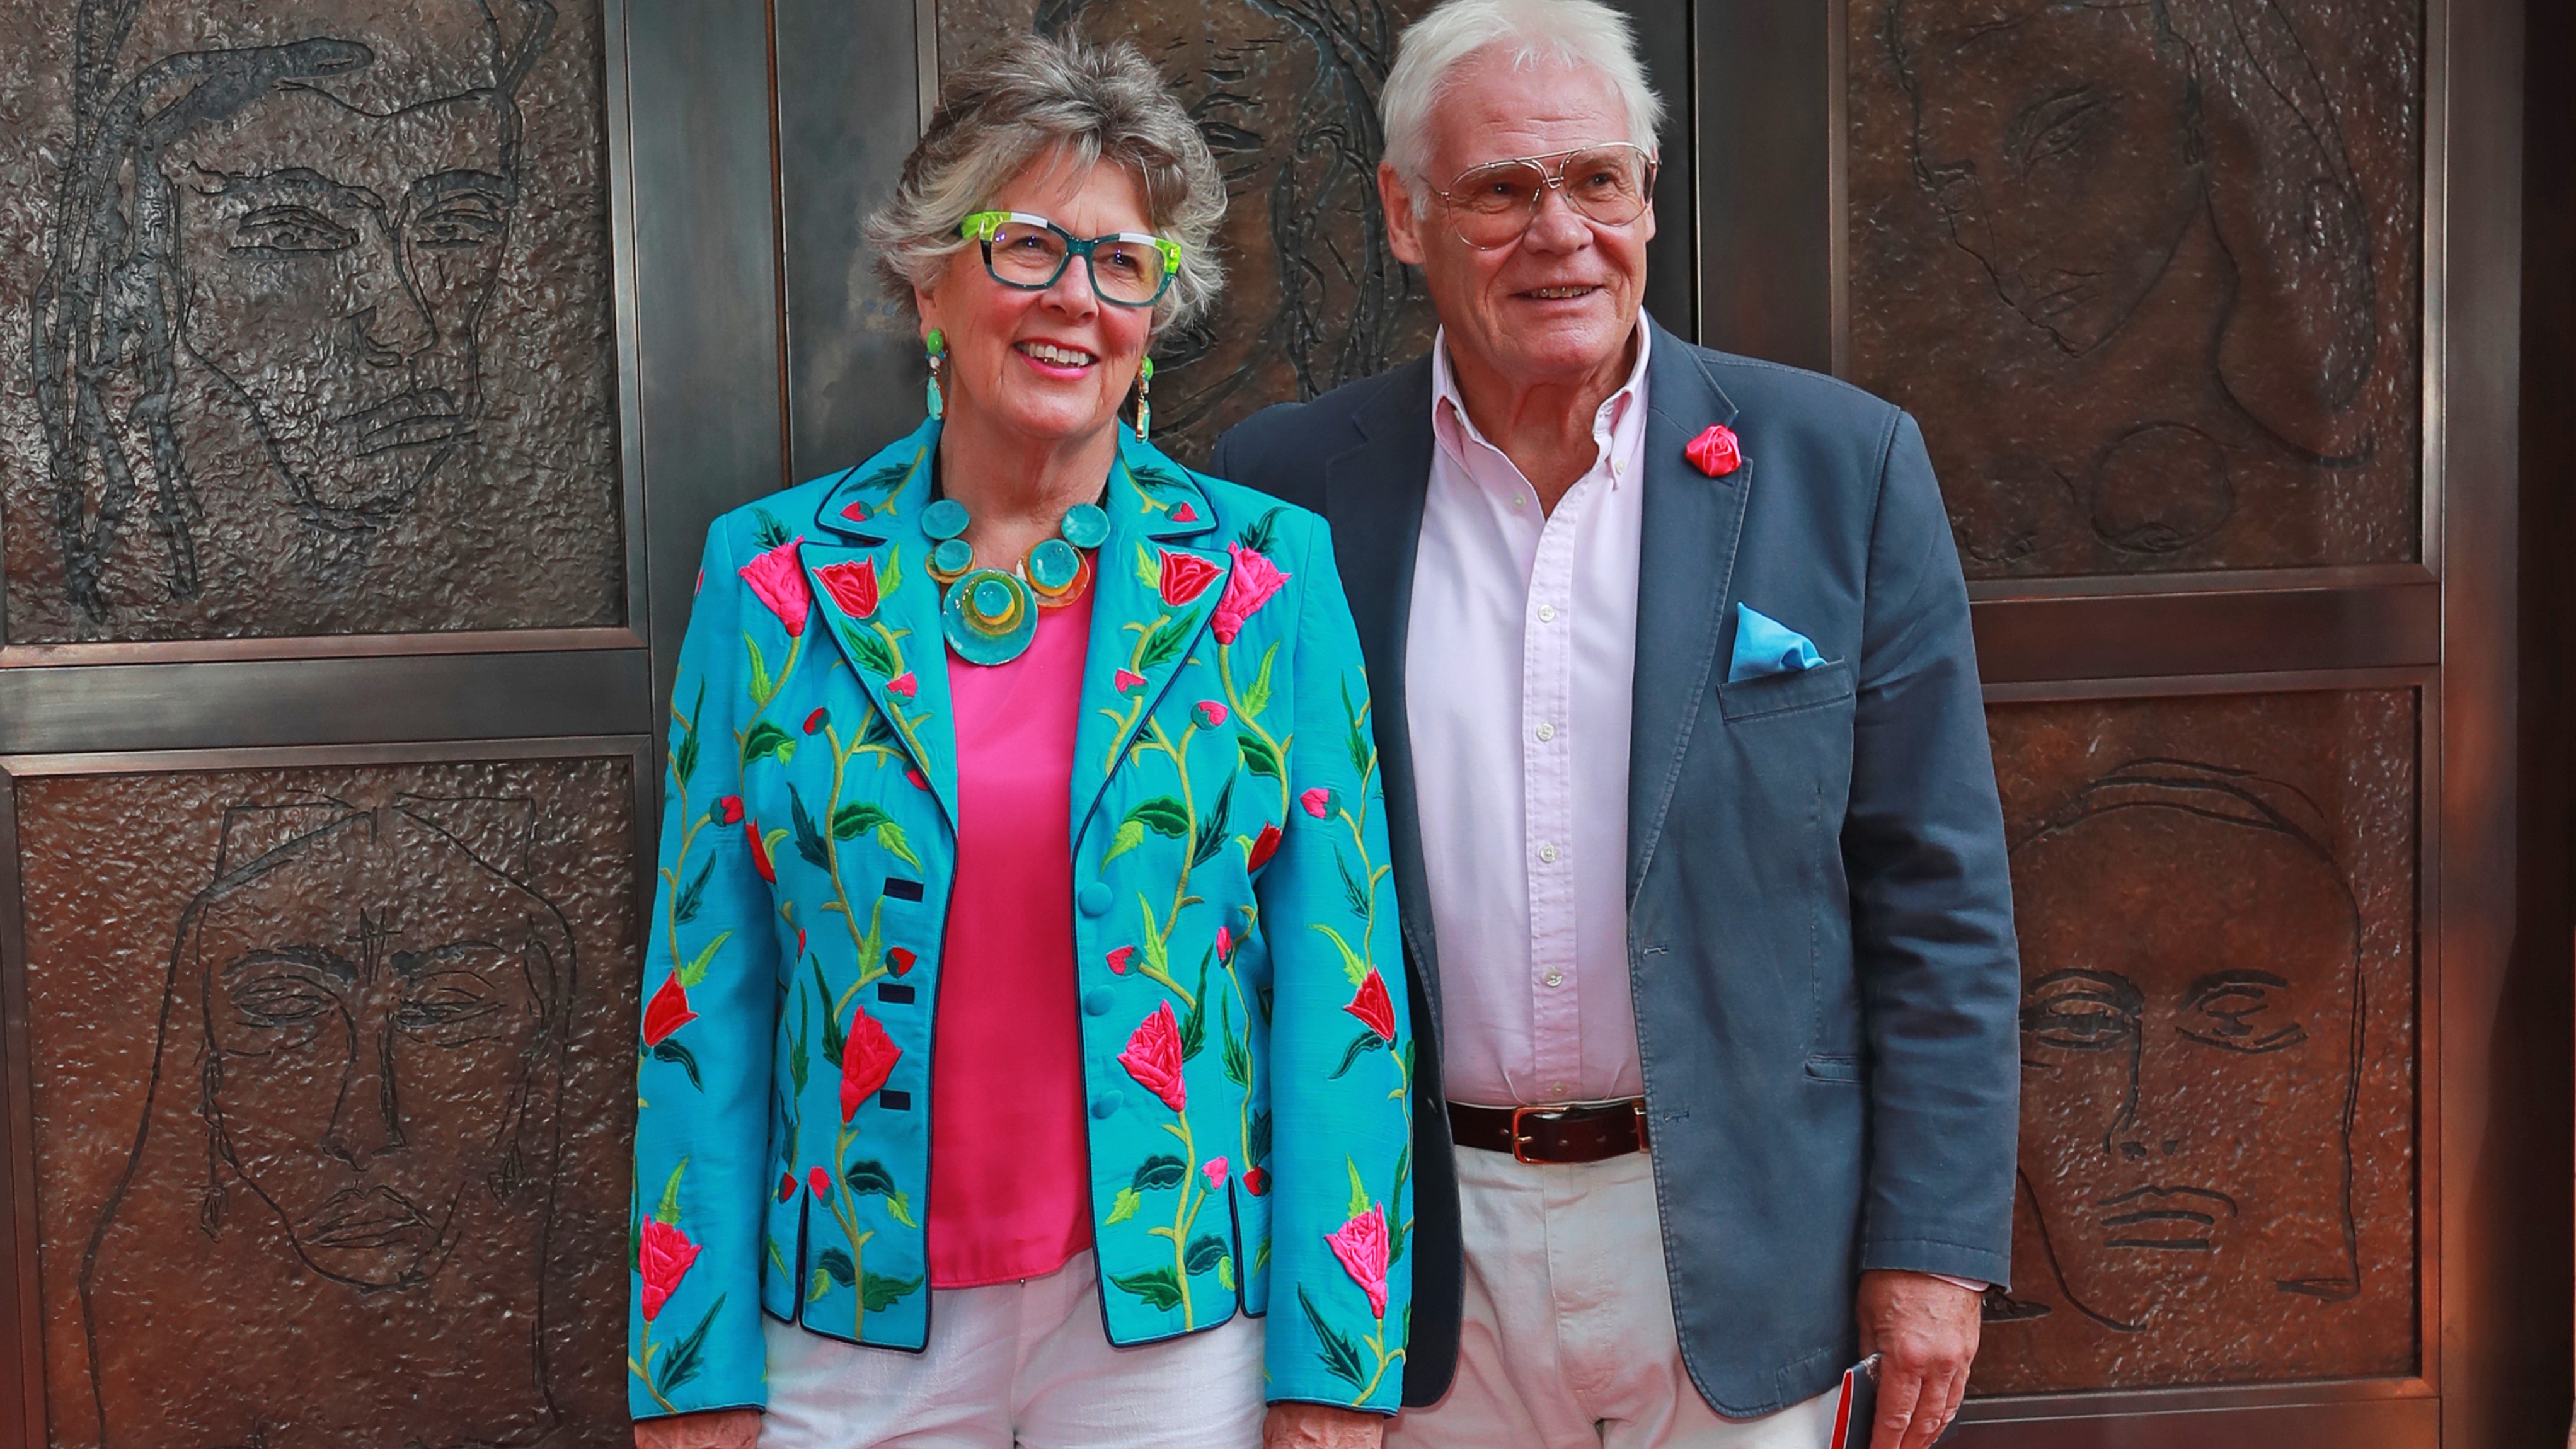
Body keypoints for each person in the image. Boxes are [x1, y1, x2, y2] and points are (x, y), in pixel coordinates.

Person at [1211, 1, 2021, 1445]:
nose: (1559, 231)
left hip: (1745, 1244)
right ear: (1404, 215)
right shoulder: (1284, 496)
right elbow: (1232, 902)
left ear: (1648, 194)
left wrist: (1933, 1244)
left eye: (1595, 179)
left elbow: (1937, 894)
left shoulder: (1842, 466)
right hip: (1413, 1261)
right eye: (1502, 190)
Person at [628, 35, 1412, 1449]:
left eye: (1121, 262)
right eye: (1025, 246)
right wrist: (690, 1371)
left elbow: (1340, 994)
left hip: (1171, 1327)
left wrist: (1332, 1371)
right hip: (843, 1322)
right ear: (928, 276)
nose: (1075, 299)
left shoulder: (1264, 578)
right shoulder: (770, 577)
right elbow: (704, 993)